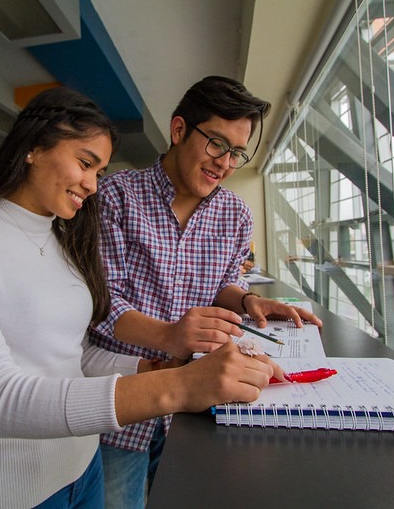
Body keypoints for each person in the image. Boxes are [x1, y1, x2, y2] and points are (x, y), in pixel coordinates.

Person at [0, 86, 285, 508]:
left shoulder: (63, 238)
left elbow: (76, 354)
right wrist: (175, 382)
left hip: (83, 463)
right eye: (85, 164)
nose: (91, 185)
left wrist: (151, 364)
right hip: (15, 485)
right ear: (33, 146)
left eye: (99, 172)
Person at [89, 76, 324, 508]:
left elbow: (221, 283)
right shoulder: (115, 196)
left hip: (195, 409)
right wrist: (168, 335)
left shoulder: (235, 214)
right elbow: (100, 303)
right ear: (179, 130)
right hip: (123, 403)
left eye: (237, 152)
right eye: (217, 143)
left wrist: (249, 301)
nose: (226, 162)